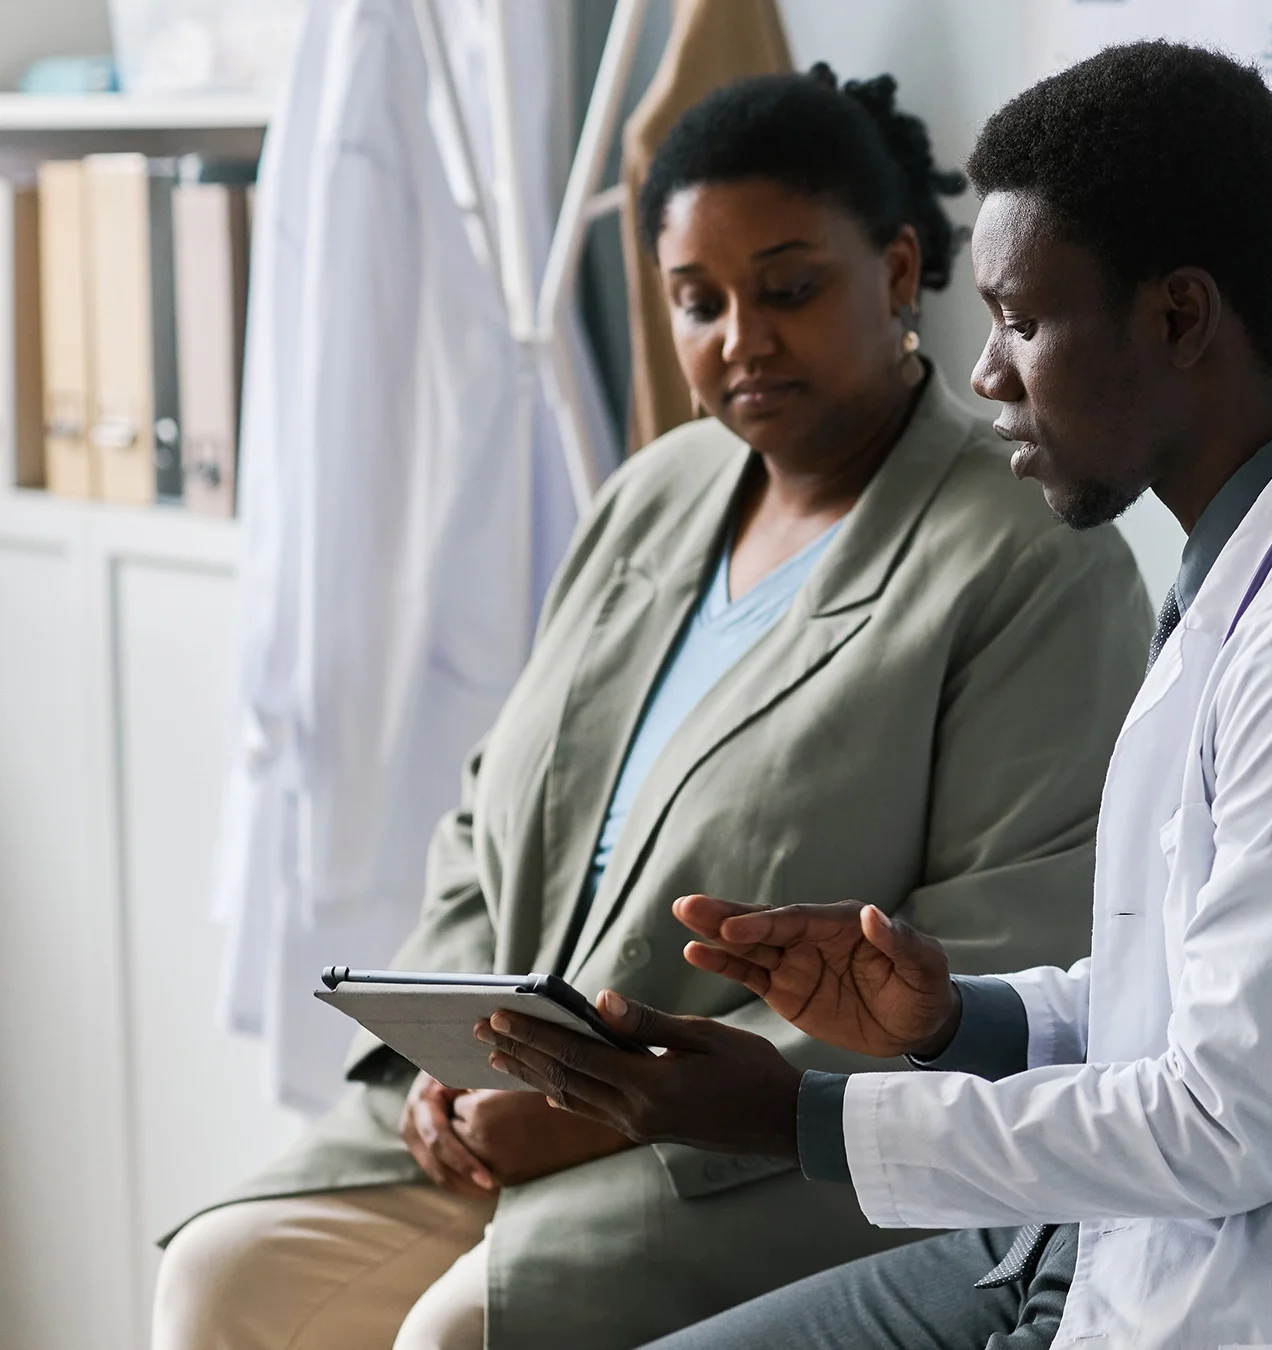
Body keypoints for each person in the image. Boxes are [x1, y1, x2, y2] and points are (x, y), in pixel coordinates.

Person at [479, 40, 1272, 1350]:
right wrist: (957, 1015)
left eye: (1019, 317)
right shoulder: (1252, 579)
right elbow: (1190, 996)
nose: (986, 372)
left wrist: (791, 1114)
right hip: (1132, 1246)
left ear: (1179, 318)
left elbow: (1224, 1119)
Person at [153, 68, 1152, 1350]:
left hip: (764, 1150)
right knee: (225, 1279)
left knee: (464, 1330)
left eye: (788, 288)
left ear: (900, 272)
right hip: (501, 1107)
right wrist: (441, 1062)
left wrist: (601, 1099)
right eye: (698, 302)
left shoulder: (1024, 552)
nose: (742, 337)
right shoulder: (657, 492)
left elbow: (1003, 941)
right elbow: (484, 817)